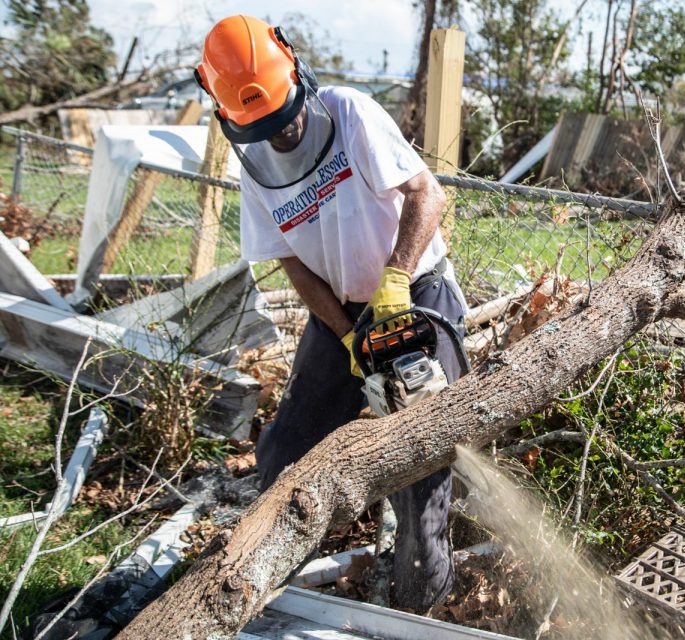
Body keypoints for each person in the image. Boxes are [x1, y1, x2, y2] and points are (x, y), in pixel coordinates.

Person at [195, 15, 466, 612]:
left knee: (421, 468)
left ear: (297, 74)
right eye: (263, 125)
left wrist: (396, 279)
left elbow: (428, 193)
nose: (285, 129)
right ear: (232, 118)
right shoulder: (255, 168)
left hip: (415, 290)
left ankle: (418, 609)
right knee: (284, 448)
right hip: (338, 312)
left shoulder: (348, 112)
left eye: (286, 111)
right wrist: (349, 338)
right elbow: (293, 264)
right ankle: (264, 591)